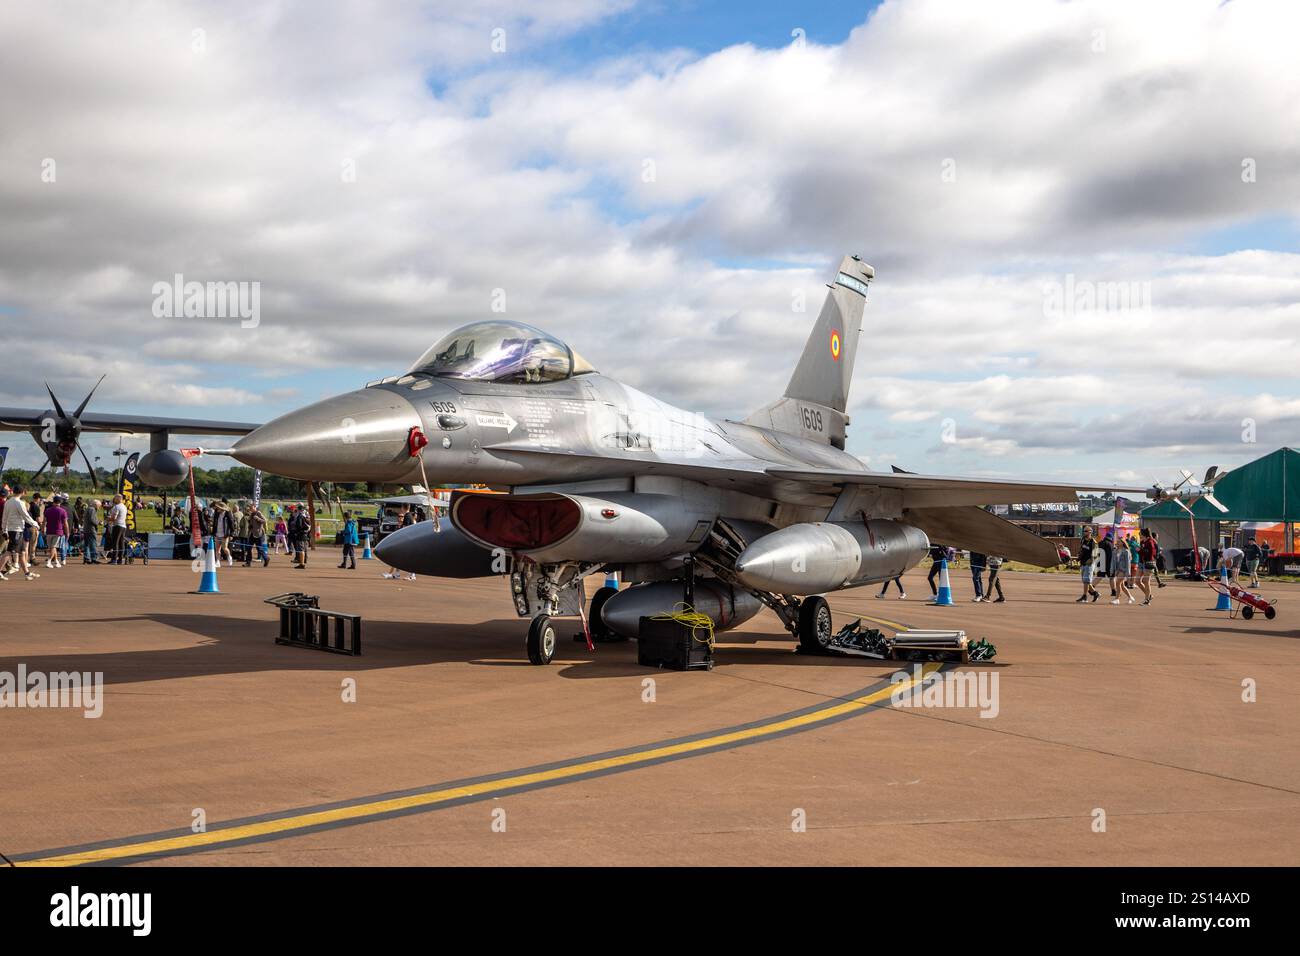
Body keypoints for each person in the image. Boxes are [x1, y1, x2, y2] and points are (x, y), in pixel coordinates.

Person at [1, 486, 42, 581]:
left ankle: (27, 573)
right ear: (22, 492)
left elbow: (4, 517)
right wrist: (35, 524)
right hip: (17, 530)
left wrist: (4, 530)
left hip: (13, 529)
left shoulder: (8, 502)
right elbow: (25, 515)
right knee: (10, 551)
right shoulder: (19, 503)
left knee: (22, 552)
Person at [42, 494, 70, 569]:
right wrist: (67, 532)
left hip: (49, 531)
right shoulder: (63, 511)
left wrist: (42, 530)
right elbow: (65, 523)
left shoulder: (47, 510)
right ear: (60, 502)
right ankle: (49, 561)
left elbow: (44, 521)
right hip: (58, 531)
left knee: (51, 547)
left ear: (53, 502)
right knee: (53, 547)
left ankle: (56, 561)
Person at [1076, 527, 1100, 603]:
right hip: (1083, 562)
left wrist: (1091, 561)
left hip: (1089, 564)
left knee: (1086, 581)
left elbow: (1096, 554)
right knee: (1085, 581)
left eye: (1086, 531)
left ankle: (1084, 596)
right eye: (1084, 531)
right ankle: (1095, 593)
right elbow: (1081, 550)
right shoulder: (1083, 540)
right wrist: (1079, 557)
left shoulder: (1093, 542)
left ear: (1090, 532)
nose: (1085, 532)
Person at [1136, 528, 1158, 605]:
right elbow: (1142, 552)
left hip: (1148, 563)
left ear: (1144, 534)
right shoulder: (1142, 541)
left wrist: (1140, 550)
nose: (1139, 535)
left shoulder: (1150, 542)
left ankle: (1147, 600)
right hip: (1141, 563)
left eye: (1140, 533)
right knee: (1137, 581)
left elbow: (1151, 553)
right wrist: (1139, 551)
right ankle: (1149, 595)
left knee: (1146, 581)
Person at [106, 494, 128, 564]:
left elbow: (114, 518)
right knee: (121, 543)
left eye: (115, 498)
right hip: (123, 526)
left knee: (115, 543)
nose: (113, 500)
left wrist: (107, 518)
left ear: (118, 499)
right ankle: (120, 559)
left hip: (117, 526)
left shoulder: (116, 507)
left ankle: (114, 559)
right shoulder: (124, 507)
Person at [213, 500, 234, 566]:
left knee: (224, 548)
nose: (217, 508)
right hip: (217, 533)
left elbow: (231, 524)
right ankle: (218, 562)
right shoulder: (216, 513)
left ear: (221, 508)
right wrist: (213, 533)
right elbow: (214, 523)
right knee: (217, 548)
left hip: (225, 534)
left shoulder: (227, 513)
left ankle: (229, 557)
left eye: (218, 507)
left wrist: (231, 534)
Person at [82, 499, 102, 564]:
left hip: (86, 529)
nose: (99, 508)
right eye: (99, 506)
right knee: (93, 544)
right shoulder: (92, 509)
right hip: (91, 529)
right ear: (96, 505)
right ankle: (94, 558)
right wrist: (99, 522)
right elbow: (92, 520)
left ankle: (86, 558)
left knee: (86, 544)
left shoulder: (88, 509)